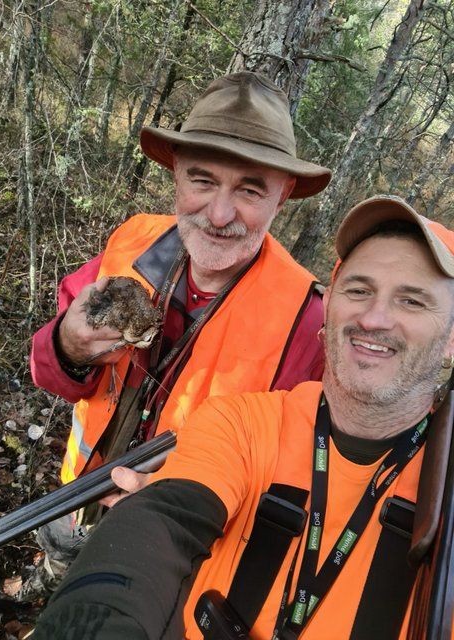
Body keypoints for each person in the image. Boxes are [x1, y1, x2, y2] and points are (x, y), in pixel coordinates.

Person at [33, 195, 454, 639]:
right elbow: (164, 519)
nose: (375, 317)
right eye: (359, 290)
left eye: (413, 302)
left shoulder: (292, 310)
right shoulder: (244, 423)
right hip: (81, 490)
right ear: (330, 306)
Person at [24, 72, 331, 593]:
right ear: (176, 175)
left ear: (283, 197)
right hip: (75, 494)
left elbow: (296, 480)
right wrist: (69, 344)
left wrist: (181, 500)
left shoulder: (309, 322)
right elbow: (51, 369)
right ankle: (45, 581)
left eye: (250, 189)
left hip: (168, 554)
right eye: (202, 179)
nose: (218, 213)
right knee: (55, 572)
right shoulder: (131, 242)